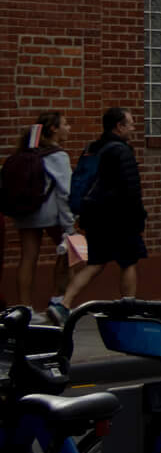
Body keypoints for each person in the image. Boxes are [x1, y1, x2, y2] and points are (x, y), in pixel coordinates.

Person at [54, 108, 144, 319]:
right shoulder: (121, 151)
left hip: (94, 217)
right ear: (119, 126)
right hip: (120, 218)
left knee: (95, 263)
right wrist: (138, 218)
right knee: (128, 262)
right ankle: (128, 311)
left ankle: (63, 305)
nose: (133, 128)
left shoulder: (92, 148)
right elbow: (131, 188)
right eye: (130, 124)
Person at [7, 112, 72, 307]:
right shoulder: (58, 156)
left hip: (25, 212)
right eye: (65, 124)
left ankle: (24, 307)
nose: (68, 128)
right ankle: (58, 299)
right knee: (69, 253)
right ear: (54, 129)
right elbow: (65, 192)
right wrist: (70, 225)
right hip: (51, 215)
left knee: (27, 258)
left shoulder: (24, 153)